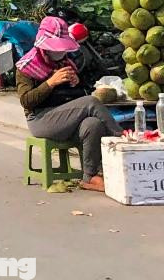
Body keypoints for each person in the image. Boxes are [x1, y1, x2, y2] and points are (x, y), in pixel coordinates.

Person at [16, 16, 122, 192]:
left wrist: (76, 83)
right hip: (41, 120)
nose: (59, 53)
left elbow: (76, 100)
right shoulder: (26, 67)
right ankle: (122, 139)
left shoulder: (66, 63)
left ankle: (90, 176)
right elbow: (26, 101)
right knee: (91, 102)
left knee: (92, 124)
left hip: (66, 120)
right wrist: (50, 83)